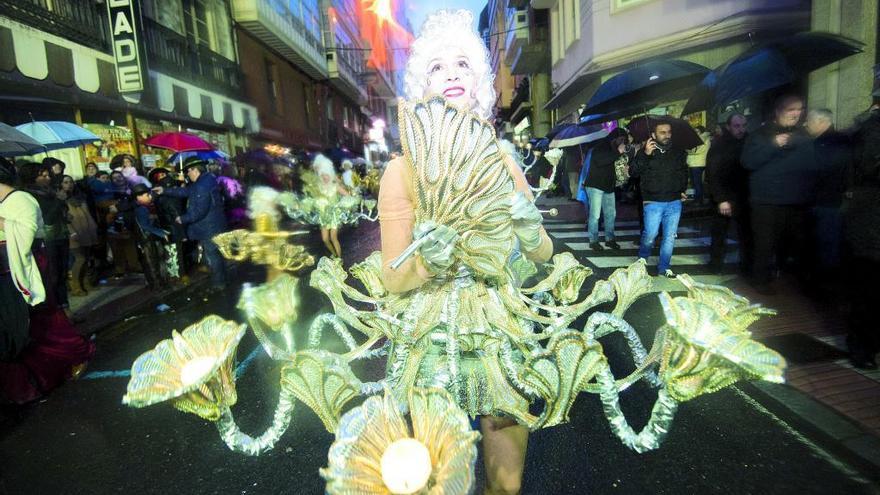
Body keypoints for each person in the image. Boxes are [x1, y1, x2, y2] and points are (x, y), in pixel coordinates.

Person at [379, 11, 553, 494]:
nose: (451, 72)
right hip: (432, 336)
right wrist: (428, 260)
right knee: (441, 481)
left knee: (508, 481)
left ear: (478, 79)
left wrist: (530, 227)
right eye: (436, 66)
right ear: (422, 86)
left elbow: (540, 255)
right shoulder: (402, 172)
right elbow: (393, 279)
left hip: (499, 324)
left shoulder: (502, 160)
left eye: (461, 63)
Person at [0, 159, 94, 404]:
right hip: (6, 268)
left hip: (26, 265)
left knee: (43, 317)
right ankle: (35, 376)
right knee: (20, 326)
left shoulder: (21, 199)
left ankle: (75, 355)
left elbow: (26, 233)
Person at [741, 95, 817, 294]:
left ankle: (796, 278)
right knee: (764, 243)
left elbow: (812, 164)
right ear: (778, 111)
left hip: (797, 200)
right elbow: (748, 162)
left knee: (798, 243)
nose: (795, 113)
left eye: (799, 109)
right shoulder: (760, 135)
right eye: (790, 109)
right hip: (766, 202)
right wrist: (773, 145)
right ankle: (760, 280)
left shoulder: (803, 134)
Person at [154, 157, 228, 292]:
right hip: (215, 224)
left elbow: (200, 211)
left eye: (189, 171)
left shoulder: (201, 185)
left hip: (208, 227)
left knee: (213, 256)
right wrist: (165, 190)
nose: (187, 174)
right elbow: (186, 191)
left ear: (196, 170)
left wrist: (183, 219)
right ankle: (221, 279)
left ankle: (219, 284)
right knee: (216, 255)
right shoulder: (207, 179)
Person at [845, 100, 880, 369]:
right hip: (871, 224)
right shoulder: (871, 132)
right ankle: (861, 347)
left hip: (869, 222)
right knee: (867, 291)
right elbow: (869, 168)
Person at [630, 120, 689, 278]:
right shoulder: (645, 151)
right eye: (662, 132)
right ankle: (642, 258)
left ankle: (664, 266)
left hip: (674, 201)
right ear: (654, 135)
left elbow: (683, 171)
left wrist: (682, 189)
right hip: (653, 200)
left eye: (669, 132)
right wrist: (646, 154)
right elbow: (634, 172)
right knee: (650, 234)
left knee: (670, 236)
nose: (667, 135)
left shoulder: (678, 152)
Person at [805, 108, 851, 279]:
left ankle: (826, 280)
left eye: (809, 120)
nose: (806, 124)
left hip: (828, 201)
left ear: (822, 122)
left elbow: (826, 170)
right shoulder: (823, 141)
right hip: (822, 200)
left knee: (827, 243)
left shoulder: (836, 142)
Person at [19, 162, 71, 309]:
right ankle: (56, 311)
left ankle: (65, 307)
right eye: (43, 176)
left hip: (61, 234)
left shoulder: (51, 192)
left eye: (48, 175)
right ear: (32, 178)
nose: (48, 178)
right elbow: (47, 218)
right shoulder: (30, 196)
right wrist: (58, 201)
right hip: (47, 239)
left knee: (62, 273)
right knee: (52, 275)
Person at [706, 113, 752, 274]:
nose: (741, 129)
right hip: (725, 195)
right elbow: (713, 173)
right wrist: (721, 199)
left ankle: (747, 266)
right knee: (719, 233)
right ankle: (716, 264)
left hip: (745, 196)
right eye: (737, 126)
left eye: (743, 125)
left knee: (746, 234)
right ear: (728, 126)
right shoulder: (719, 145)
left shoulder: (750, 142)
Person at [582, 129, 627, 250]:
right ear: (614, 138)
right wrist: (618, 152)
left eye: (624, 139)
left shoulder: (615, 149)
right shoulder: (601, 147)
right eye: (620, 139)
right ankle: (593, 240)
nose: (622, 142)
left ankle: (610, 239)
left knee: (611, 214)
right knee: (595, 215)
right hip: (595, 185)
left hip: (608, 186)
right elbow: (601, 161)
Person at [60, 175, 98, 296]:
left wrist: (93, 228)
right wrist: (71, 231)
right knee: (79, 259)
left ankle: (85, 283)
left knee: (86, 258)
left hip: (86, 230)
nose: (69, 184)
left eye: (70, 182)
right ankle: (75, 286)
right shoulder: (60, 199)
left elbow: (87, 213)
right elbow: (63, 218)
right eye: (65, 182)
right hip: (73, 231)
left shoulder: (80, 196)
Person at [131, 184, 170, 291]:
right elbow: (145, 225)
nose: (150, 196)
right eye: (146, 194)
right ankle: (157, 285)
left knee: (156, 260)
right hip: (147, 240)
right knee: (152, 262)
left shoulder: (147, 206)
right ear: (138, 197)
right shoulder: (141, 209)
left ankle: (160, 283)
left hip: (151, 238)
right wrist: (161, 232)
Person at [687, 125, 712, 204]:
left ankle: (698, 200)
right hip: (695, 163)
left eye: (697, 131)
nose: (695, 132)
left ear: (701, 131)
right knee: (695, 183)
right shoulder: (700, 138)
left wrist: (687, 150)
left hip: (697, 163)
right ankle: (697, 199)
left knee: (697, 183)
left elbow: (694, 151)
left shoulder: (702, 138)